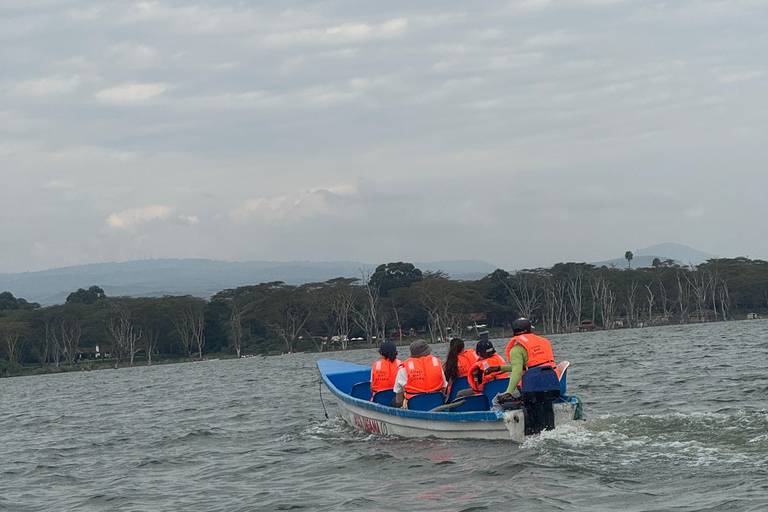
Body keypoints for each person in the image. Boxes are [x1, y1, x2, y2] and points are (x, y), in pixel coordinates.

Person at [484, 318, 559, 400]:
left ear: (513, 332)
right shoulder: (545, 342)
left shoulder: (516, 350)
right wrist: (500, 368)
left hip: (533, 388)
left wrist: (508, 392)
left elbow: (517, 371)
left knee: (496, 401)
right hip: (554, 384)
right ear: (530, 329)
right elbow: (536, 366)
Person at [392, 340, 447, 408]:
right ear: (427, 352)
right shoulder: (436, 364)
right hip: (437, 405)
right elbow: (444, 388)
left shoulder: (404, 368)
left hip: (413, 408)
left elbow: (399, 400)